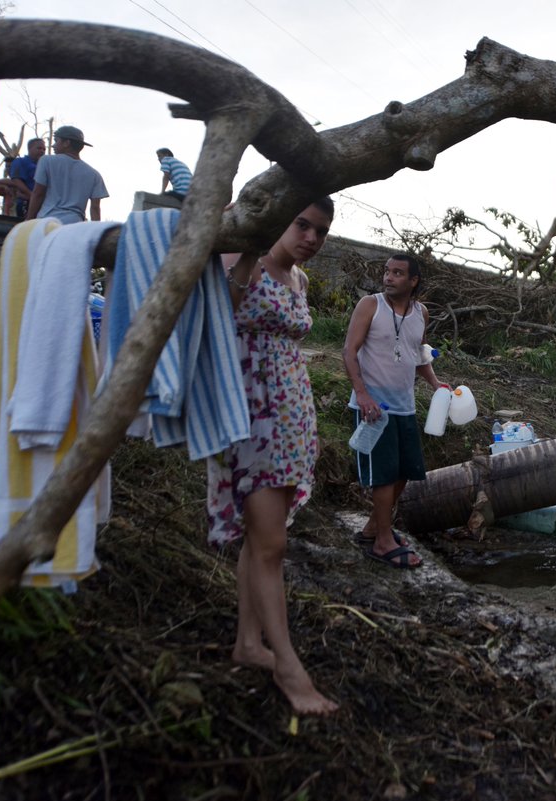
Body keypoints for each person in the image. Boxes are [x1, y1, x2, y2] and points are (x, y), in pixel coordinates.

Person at [207, 198, 338, 716]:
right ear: (279, 219)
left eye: (321, 231)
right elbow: (224, 305)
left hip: (291, 418)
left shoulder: (300, 281)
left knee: (262, 539)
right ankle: (288, 668)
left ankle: (249, 642)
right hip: (248, 418)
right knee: (272, 546)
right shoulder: (242, 259)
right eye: (302, 224)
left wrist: (308, 430)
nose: (310, 236)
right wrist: (249, 245)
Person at [343, 253, 448, 569]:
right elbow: (349, 351)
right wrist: (362, 395)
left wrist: (436, 383)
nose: (389, 277)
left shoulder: (421, 313)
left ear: (413, 280)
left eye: (398, 273)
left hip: (404, 407)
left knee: (405, 471)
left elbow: (420, 353)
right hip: (374, 408)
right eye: (387, 272)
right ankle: (383, 541)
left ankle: (374, 529)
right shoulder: (370, 306)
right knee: (384, 475)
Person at [25, 125, 108, 224]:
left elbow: (38, 193)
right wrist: (96, 232)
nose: (53, 145)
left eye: (56, 141)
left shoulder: (46, 161)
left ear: (66, 143)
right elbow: (95, 208)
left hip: (46, 223)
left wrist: (29, 220)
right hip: (73, 226)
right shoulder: (94, 174)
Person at [7, 137, 45, 217]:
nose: (42, 151)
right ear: (30, 148)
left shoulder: (43, 165)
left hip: (43, 204)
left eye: (44, 149)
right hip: (26, 203)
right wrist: (32, 195)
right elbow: (16, 180)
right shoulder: (20, 161)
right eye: (39, 148)